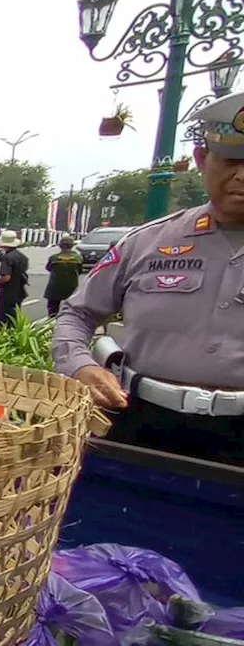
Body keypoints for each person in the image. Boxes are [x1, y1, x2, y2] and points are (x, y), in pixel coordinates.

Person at [53, 91, 244, 466]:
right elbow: (76, 315)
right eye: (231, 160)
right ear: (203, 160)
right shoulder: (147, 243)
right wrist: (81, 365)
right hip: (144, 423)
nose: (242, 174)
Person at [0, 230, 29, 327]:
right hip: (19, 290)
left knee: (5, 320)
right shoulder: (22, 257)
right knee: (15, 317)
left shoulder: (8, 258)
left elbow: (6, 277)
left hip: (8, 292)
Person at [43, 236, 84, 317]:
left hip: (55, 287)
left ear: (60, 246)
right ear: (72, 246)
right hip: (71, 286)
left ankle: (52, 323)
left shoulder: (53, 258)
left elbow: (48, 268)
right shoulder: (78, 258)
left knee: (53, 309)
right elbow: (80, 271)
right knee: (71, 308)